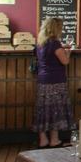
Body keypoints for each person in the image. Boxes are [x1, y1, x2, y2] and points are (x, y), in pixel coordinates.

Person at [33, 17, 73, 148]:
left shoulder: (39, 43)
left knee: (43, 110)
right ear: (56, 29)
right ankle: (54, 140)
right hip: (56, 81)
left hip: (42, 81)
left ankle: (43, 139)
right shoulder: (55, 44)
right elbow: (65, 61)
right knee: (56, 110)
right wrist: (68, 52)